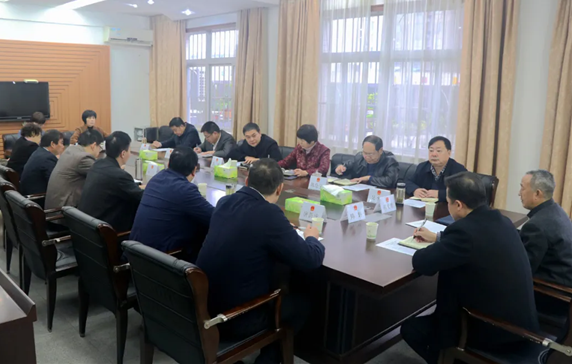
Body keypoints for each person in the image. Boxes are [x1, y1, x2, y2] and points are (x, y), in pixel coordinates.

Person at [402, 172, 539, 364]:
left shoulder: (464, 232)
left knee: (411, 329)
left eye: (448, 202)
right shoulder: (502, 220)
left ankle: (450, 360)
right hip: (521, 325)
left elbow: (422, 263)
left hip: (494, 330)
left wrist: (435, 245)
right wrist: (441, 239)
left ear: (458, 205)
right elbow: (475, 242)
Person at [197, 159, 325, 364]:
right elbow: (311, 259)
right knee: (301, 303)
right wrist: (312, 238)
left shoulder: (225, 202)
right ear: (280, 188)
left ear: (247, 181)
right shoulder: (270, 214)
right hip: (234, 319)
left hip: (204, 307)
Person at [130, 147, 214, 261]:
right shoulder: (185, 189)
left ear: (169, 164)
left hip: (135, 254)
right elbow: (213, 217)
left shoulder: (157, 178)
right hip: (158, 260)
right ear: (194, 170)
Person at [78, 131, 144, 233]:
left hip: (86, 227)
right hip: (104, 233)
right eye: (129, 150)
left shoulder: (97, 164)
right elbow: (142, 197)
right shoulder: (120, 176)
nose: (130, 154)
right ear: (123, 153)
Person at [518, 170, 572, 287]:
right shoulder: (556, 210)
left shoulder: (536, 226)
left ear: (537, 193)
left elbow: (523, 269)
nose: (519, 193)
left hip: (556, 290)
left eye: (522, 188)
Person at [45, 130, 104, 210]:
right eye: (100, 147)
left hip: (55, 206)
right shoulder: (83, 157)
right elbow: (103, 176)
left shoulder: (70, 150)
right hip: (64, 211)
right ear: (93, 145)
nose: (100, 150)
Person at [405, 136, 467, 202]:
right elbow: (409, 182)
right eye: (431, 150)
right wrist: (415, 190)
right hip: (423, 206)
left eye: (438, 151)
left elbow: (463, 192)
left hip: (447, 207)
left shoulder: (459, 170)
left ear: (449, 153)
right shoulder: (422, 166)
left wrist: (439, 194)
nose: (434, 154)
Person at [334, 135, 399, 188]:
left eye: (370, 154)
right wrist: (341, 167)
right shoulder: (360, 156)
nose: (367, 157)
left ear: (380, 151)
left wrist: (369, 178)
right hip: (360, 193)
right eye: (365, 153)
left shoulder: (390, 161)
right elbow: (347, 165)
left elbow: (389, 181)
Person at [19, 130, 64, 203]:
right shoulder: (48, 158)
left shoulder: (39, 152)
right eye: (61, 143)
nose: (63, 146)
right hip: (37, 199)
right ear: (52, 144)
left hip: (27, 197)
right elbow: (55, 183)